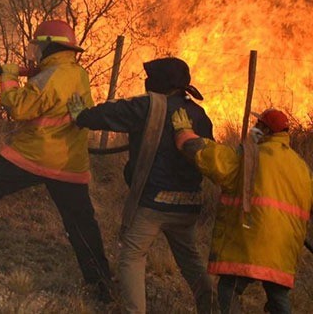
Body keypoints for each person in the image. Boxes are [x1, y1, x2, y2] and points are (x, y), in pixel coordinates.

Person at [0, 19, 113, 302]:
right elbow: (48, 82)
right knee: (81, 224)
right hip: (69, 161)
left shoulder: (49, 77)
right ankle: (102, 286)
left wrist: (8, 78)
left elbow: (20, 107)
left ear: (49, 46)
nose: (33, 52)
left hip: (36, 154)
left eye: (38, 46)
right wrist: (19, 71)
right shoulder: (76, 73)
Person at [67, 57, 215, 313]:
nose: (146, 82)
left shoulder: (148, 105)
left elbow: (110, 113)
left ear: (160, 81)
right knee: (190, 260)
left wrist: (82, 115)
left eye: (150, 77)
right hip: (188, 204)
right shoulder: (199, 114)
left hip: (155, 203)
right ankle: (211, 307)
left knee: (132, 257)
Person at [172, 107, 313, 314]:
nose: (254, 128)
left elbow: (212, 158)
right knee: (277, 295)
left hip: (249, 242)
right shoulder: (302, 168)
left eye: (258, 126)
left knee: (229, 289)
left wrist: (184, 134)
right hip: (283, 249)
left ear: (265, 130)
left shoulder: (249, 157)